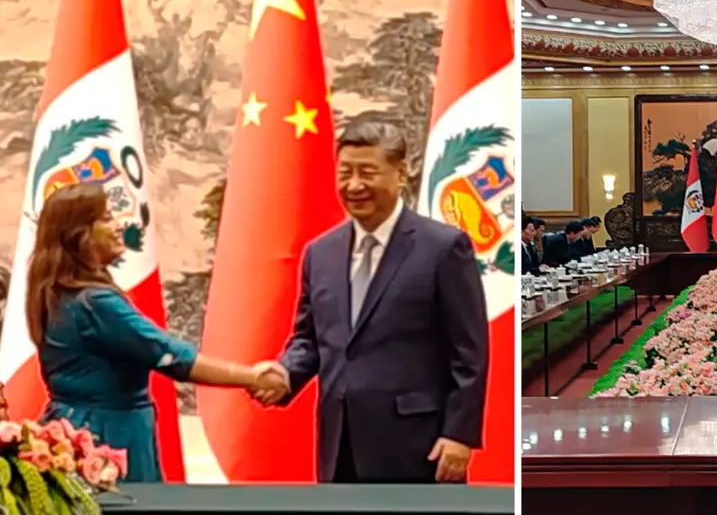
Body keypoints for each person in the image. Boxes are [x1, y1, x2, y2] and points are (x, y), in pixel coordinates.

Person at [252, 122, 489, 484]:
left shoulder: (443, 247)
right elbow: (310, 339)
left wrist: (459, 433)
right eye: (345, 172)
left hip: (419, 446)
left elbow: (469, 352)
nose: (354, 185)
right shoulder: (320, 253)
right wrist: (285, 372)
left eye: (368, 172)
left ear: (400, 173)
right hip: (339, 441)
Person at [24, 183, 287, 482]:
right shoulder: (94, 303)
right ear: (80, 235)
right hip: (108, 438)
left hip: (72, 431)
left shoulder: (57, 294)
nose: (118, 225)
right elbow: (169, 356)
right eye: (107, 218)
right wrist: (251, 377)